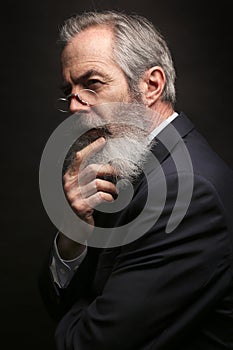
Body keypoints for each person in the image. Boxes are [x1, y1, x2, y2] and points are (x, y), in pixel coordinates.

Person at [39, 10, 233, 350]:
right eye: (69, 89)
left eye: (92, 84)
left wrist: (82, 309)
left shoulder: (186, 192)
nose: (74, 105)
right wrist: (75, 232)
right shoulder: (127, 163)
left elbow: (89, 343)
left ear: (151, 86)